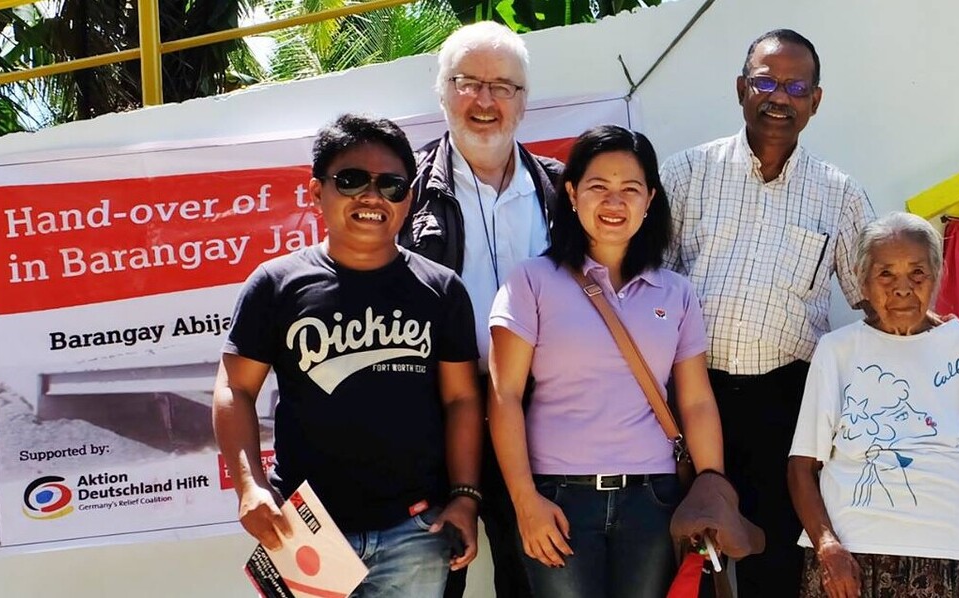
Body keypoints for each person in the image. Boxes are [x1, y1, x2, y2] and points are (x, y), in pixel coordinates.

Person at [660, 29, 959, 594]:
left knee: (773, 563)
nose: (779, 97)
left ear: (815, 101)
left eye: (796, 86)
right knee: (689, 562)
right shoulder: (685, 175)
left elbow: (883, 295)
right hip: (695, 402)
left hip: (788, 406)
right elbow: (648, 292)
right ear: (741, 88)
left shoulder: (837, 193)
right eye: (766, 81)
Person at [215, 114, 483, 598]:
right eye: (352, 179)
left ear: (409, 197)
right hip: (305, 529)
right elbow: (235, 388)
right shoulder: (275, 285)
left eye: (391, 185)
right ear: (317, 192)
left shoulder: (441, 290)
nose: (371, 197)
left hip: (416, 529)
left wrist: (465, 497)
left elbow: (462, 400)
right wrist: (249, 485)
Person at [485, 125, 726, 597]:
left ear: (650, 198)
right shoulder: (531, 281)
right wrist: (524, 500)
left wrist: (712, 489)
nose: (614, 202)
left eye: (630, 189)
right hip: (558, 500)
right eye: (599, 187)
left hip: (654, 501)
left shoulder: (676, 292)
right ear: (572, 193)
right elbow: (504, 395)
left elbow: (696, 400)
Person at [399, 21, 564, 598]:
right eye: (468, 83)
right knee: (432, 581)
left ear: (524, 100)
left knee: (537, 583)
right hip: (435, 419)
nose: (485, 101)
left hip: (543, 422)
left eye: (503, 86)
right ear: (441, 92)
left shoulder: (562, 192)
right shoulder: (403, 190)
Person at [786, 212, 959, 598]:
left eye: (917, 273)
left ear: (936, 277)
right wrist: (827, 547)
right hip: (850, 559)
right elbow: (801, 466)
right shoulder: (837, 350)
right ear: (862, 281)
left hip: (947, 556)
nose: (902, 289)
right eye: (885, 275)